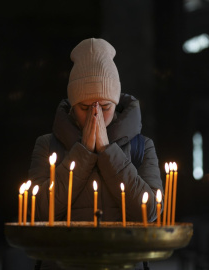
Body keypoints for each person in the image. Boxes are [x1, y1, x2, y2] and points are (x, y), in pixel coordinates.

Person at [28, 38, 163, 270]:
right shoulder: (47, 145)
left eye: (105, 106)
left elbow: (150, 212)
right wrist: (82, 154)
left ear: (116, 103)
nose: (95, 116)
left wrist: (108, 152)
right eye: (85, 107)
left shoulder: (143, 146)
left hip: (122, 263)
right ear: (72, 105)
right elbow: (39, 211)